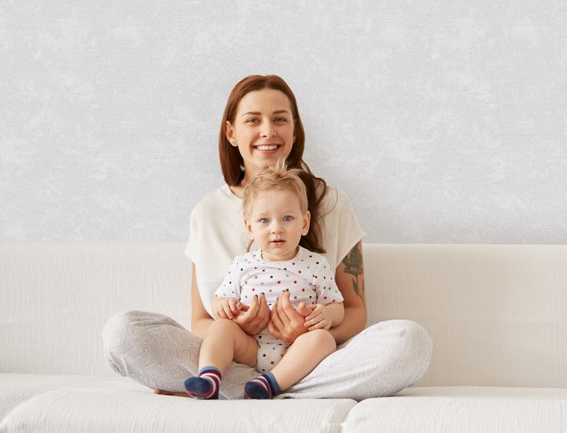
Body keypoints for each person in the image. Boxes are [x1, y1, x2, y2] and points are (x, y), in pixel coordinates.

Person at [103, 74, 432, 400]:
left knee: (409, 343)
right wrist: (237, 327)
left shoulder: (332, 203)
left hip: (312, 360)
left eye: (280, 119)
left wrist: (308, 330)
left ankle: (244, 387)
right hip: (234, 353)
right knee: (123, 334)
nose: (267, 131)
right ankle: (251, 385)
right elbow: (201, 321)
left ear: (294, 130)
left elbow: (354, 311)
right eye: (252, 120)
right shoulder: (207, 213)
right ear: (231, 133)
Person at [184, 163, 344, 400]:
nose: (276, 229)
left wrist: (327, 315)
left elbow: (337, 306)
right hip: (250, 347)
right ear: (249, 227)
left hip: (295, 351)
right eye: (264, 221)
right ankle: (209, 377)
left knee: (324, 340)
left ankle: (270, 383)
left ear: (304, 223)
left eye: (287, 218)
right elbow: (220, 300)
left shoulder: (316, 264)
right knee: (221, 327)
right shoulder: (242, 264)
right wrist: (224, 307)